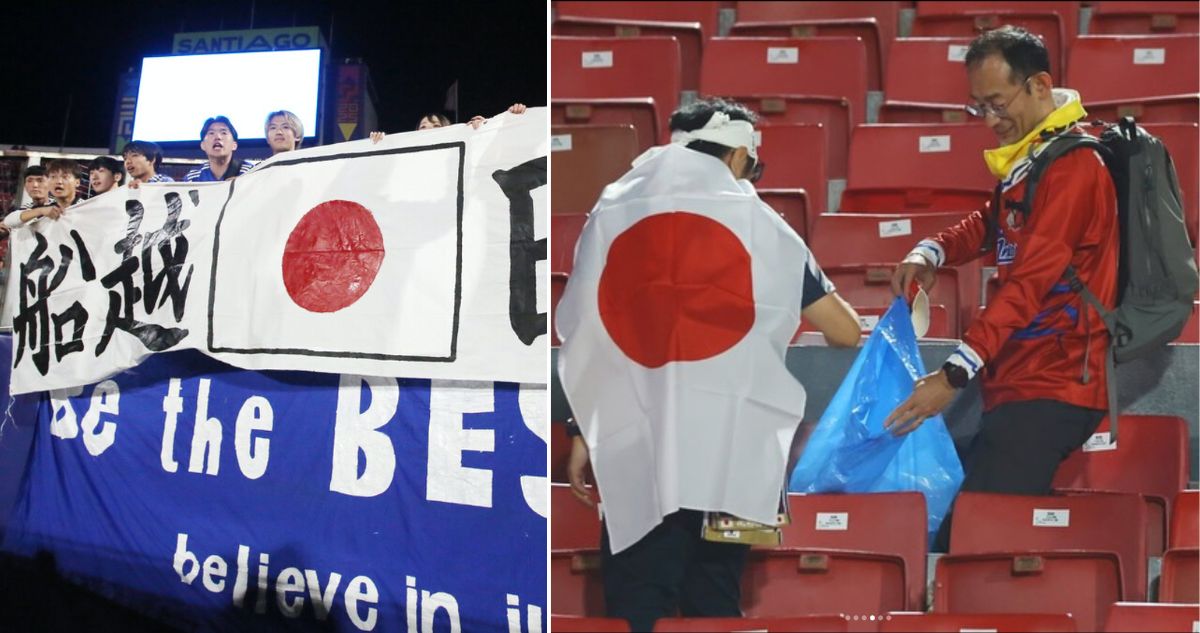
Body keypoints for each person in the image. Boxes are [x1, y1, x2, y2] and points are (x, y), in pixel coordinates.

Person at [562, 97, 861, 632]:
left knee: (637, 605)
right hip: (731, 450)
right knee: (714, 604)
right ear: (737, 157)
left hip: (640, 446)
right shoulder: (760, 222)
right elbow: (844, 330)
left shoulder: (609, 210)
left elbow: (588, 332)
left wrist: (584, 430)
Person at [883, 26, 1118, 552]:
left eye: (996, 102)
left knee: (970, 548)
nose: (989, 120)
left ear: (1038, 85)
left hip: (1054, 385)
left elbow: (1029, 282)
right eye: (978, 107)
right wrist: (933, 252)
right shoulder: (1036, 156)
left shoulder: (1076, 166)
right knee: (963, 540)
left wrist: (954, 371)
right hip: (1018, 382)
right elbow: (994, 222)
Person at [5, 159, 82, 229]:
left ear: (77, 182)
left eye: (65, 177)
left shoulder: (86, 207)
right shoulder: (46, 209)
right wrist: (40, 211)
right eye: (53, 177)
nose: (59, 181)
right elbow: (8, 222)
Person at [184, 115, 253, 182]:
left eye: (223, 133)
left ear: (234, 145)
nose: (217, 137)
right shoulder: (194, 178)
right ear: (203, 145)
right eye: (211, 133)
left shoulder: (249, 173)